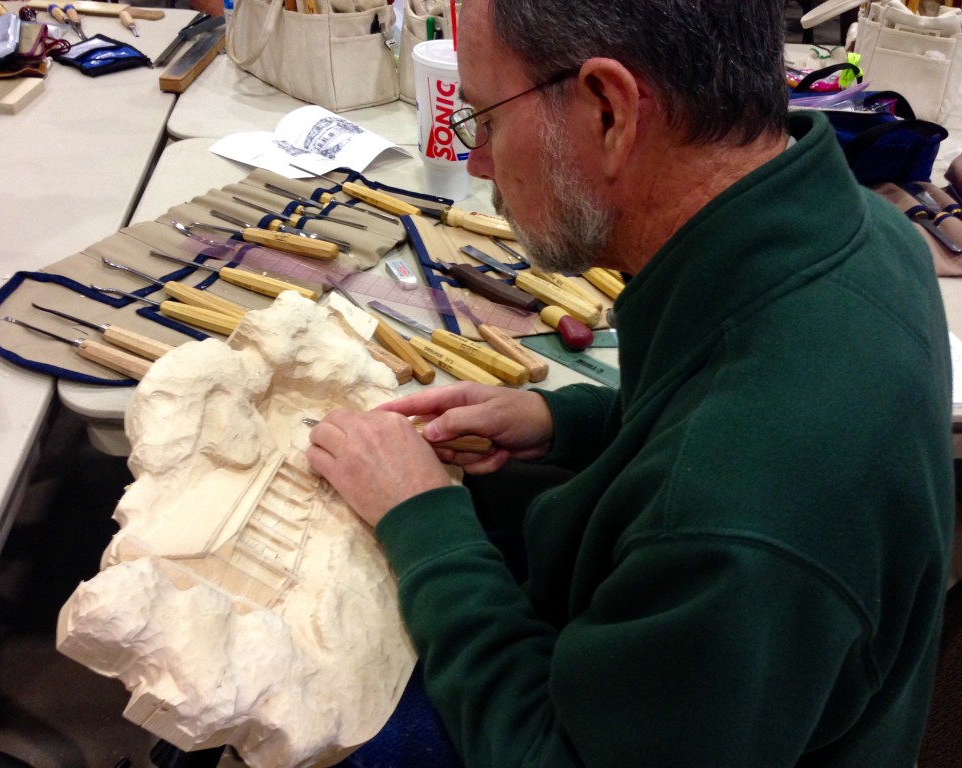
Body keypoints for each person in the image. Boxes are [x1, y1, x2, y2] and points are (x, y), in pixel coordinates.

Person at [307, 0, 956, 765]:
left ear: (610, 112)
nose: (476, 163)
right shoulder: (862, 231)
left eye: (485, 118)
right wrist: (571, 422)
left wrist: (425, 525)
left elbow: (556, 753)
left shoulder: (740, 520)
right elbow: (715, 404)